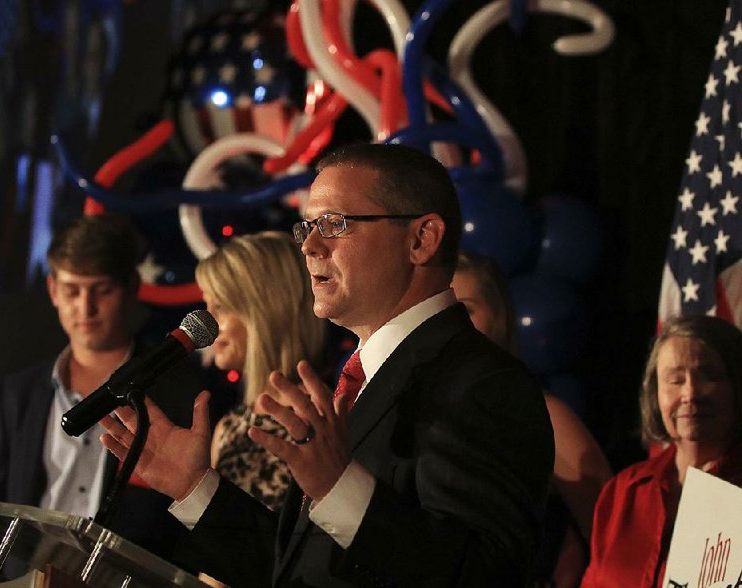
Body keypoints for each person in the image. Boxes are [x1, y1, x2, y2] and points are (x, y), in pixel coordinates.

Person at [100, 142, 555, 587]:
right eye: (307, 227)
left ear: (421, 239)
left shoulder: (483, 383)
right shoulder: (360, 378)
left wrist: (342, 490)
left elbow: (484, 574)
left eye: (335, 224)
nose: (311, 246)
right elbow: (292, 571)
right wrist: (195, 487)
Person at [0, 213, 201, 575]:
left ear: (131, 287)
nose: (85, 308)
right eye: (72, 290)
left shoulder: (176, 391)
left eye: (101, 290)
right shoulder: (20, 393)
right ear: (53, 291)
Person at [452, 251, 612, 587]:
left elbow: (614, 534)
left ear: (500, 317)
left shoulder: (543, 414)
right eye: (438, 311)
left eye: (465, 309)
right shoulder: (409, 410)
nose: (449, 323)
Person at [580, 314, 742, 587]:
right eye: (675, 380)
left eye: (709, 375)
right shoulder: (624, 490)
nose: (690, 394)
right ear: (655, 394)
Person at [195, 231, 326, 512]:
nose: (209, 322)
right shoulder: (228, 429)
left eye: (221, 306)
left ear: (265, 310)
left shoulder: (324, 416)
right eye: (208, 306)